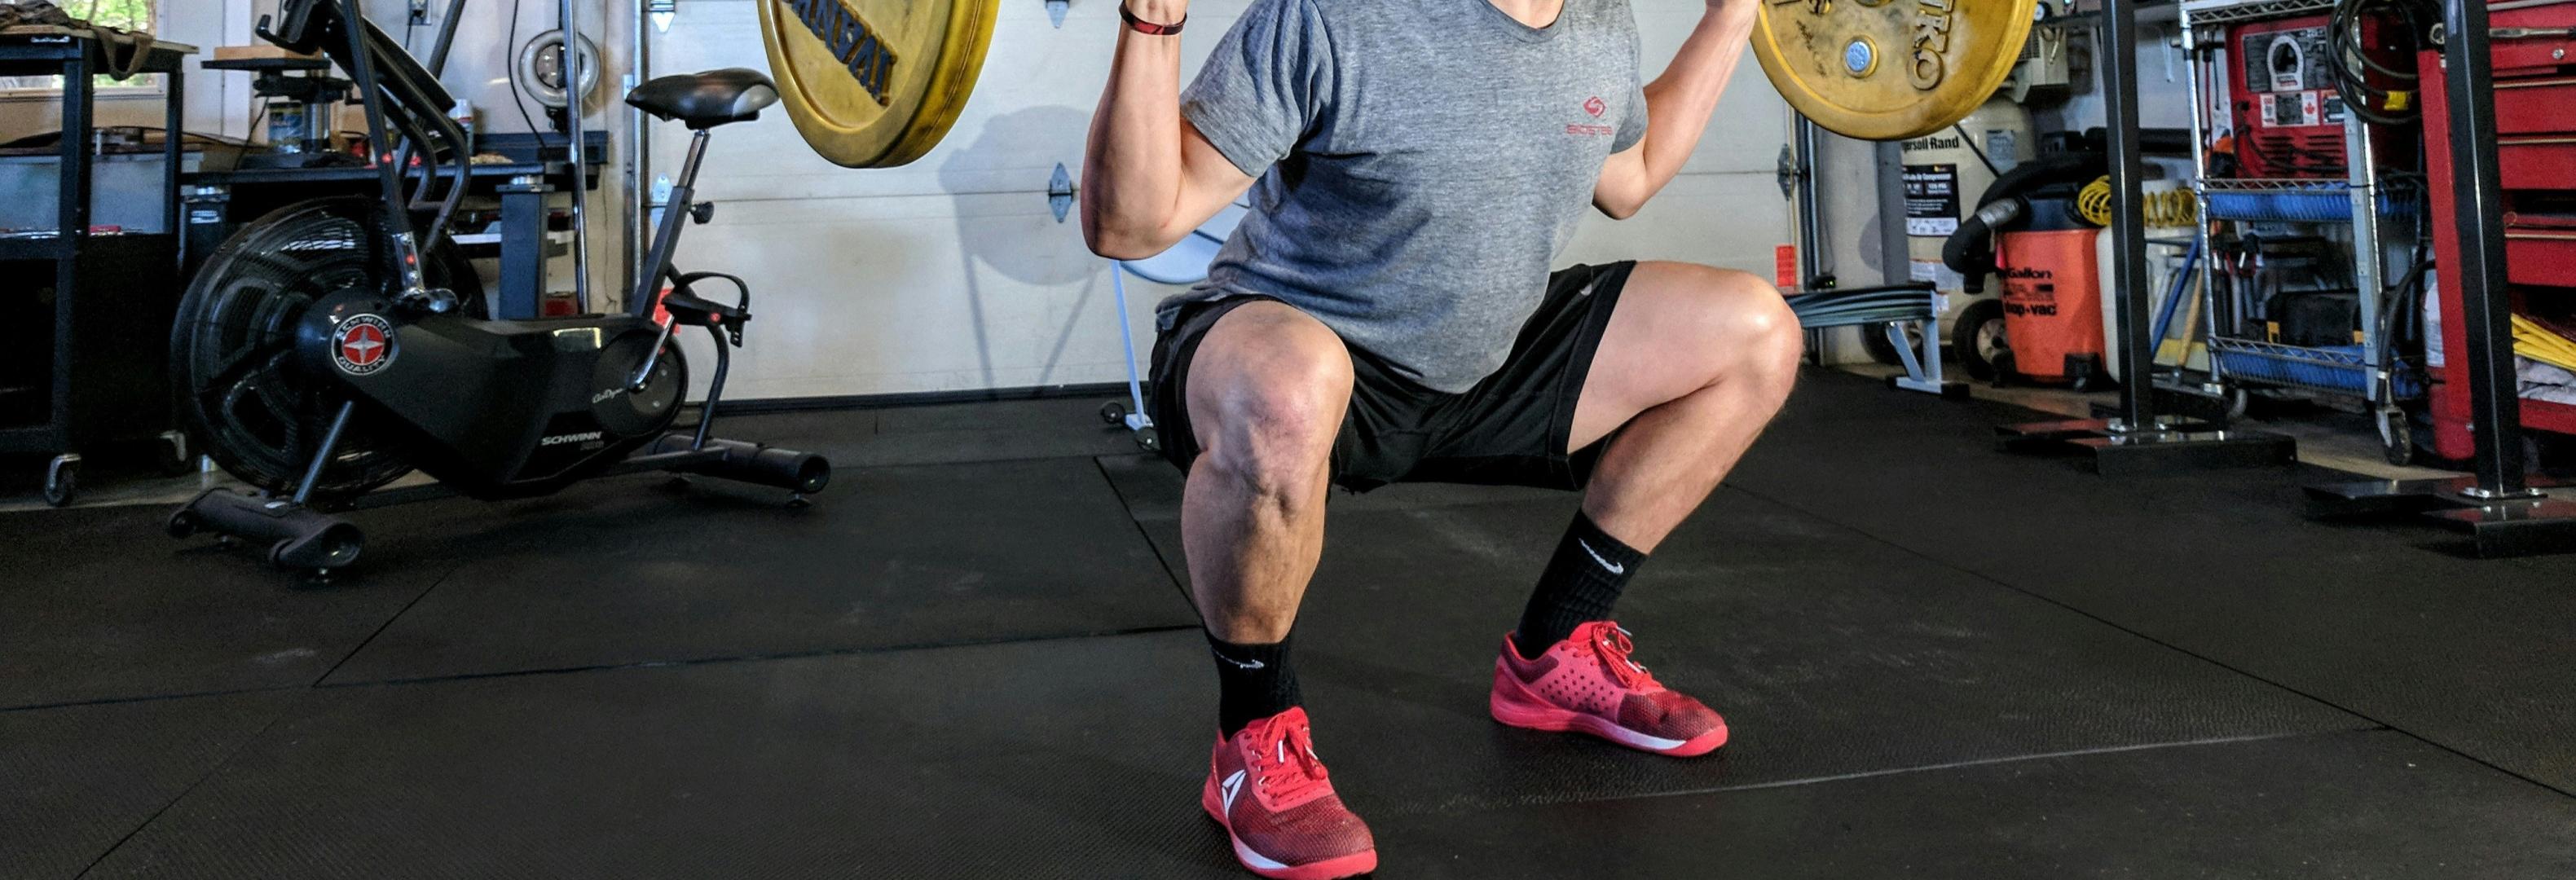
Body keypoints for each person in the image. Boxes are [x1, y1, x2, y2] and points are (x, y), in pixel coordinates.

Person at [1081, 0, 1794, 874]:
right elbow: (1130, 225)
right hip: (1294, 351)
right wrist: (1149, 24)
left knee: (1755, 331)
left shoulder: (1599, 24)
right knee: (1292, 389)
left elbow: (1632, 173)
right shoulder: (1332, 18)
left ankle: (1555, 650)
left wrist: (1731, 17)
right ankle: (1252, 731)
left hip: (1480, 359)